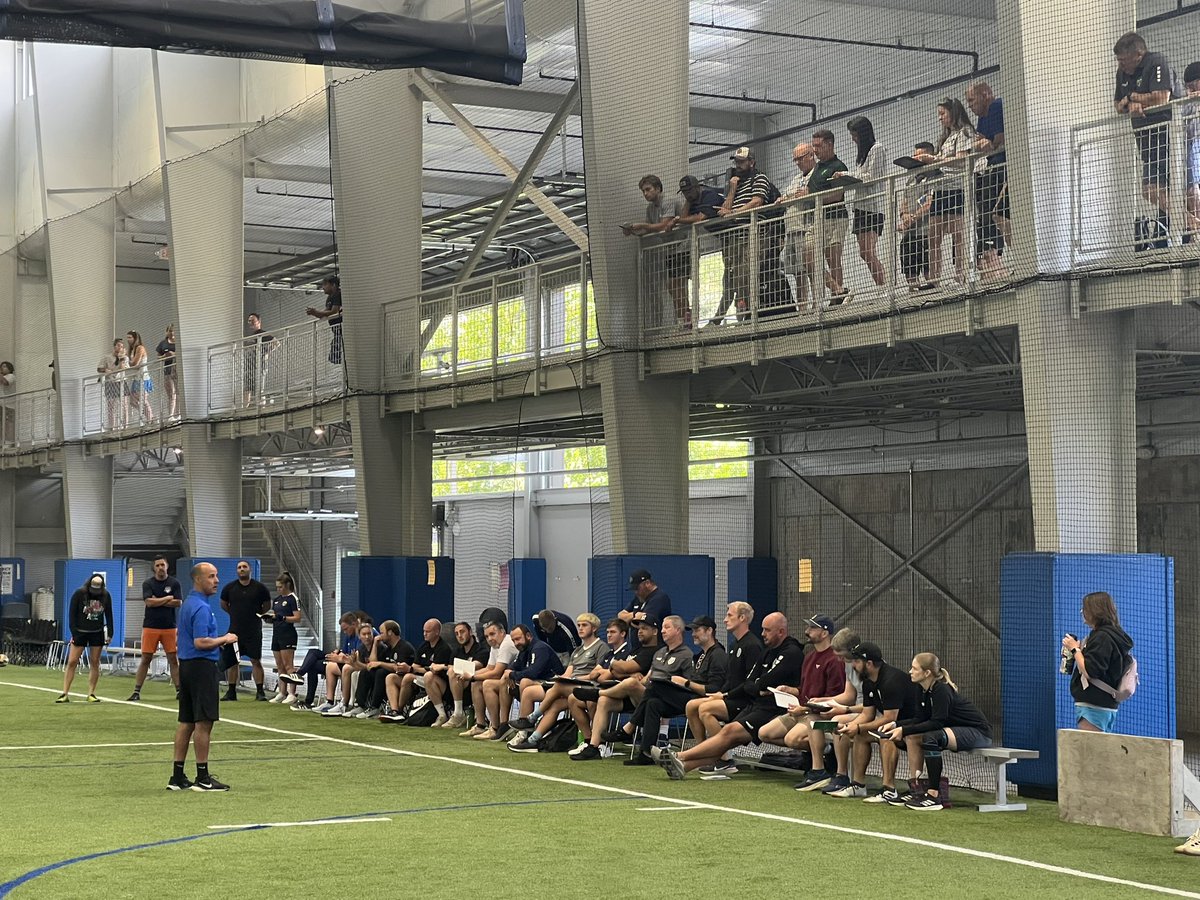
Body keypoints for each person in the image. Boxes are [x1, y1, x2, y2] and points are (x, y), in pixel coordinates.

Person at [661, 612, 803, 779]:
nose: (763, 633)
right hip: (756, 704)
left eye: (767, 630)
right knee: (726, 737)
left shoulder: (788, 651)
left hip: (772, 708)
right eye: (763, 629)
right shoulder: (762, 650)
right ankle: (685, 766)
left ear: (781, 631)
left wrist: (728, 694)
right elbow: (750, 682)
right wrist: (753, 688)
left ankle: (680, 756)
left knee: (724, 729)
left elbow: (762, 682)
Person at [878, 651, 992, 811]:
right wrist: (895, 724)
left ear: (927, 673)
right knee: (912, 737)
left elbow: (937, 722)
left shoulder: (941, 690)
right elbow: (919, 718)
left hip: (978, 732)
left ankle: (933, 795)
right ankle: (917, 789)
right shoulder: (921, 689)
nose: (910, 671)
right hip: (953, 730)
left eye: (914, 668)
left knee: (931, 737)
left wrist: (902, 730)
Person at [757, 615, 851, 789]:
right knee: (764, 733)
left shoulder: (835, 660)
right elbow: (805, 689)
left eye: (812, 628)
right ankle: (825, 750)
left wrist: (806, 709)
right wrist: (790, 690)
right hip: (800, 710)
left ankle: (821, 762)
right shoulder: (809, 657)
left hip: (817, 713)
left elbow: (834, 697)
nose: (807, 631)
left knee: (792, 739)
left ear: (824, 633)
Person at [170, 562, 237, 791]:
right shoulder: (200, 607)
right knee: (204, 722)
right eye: (211, 576)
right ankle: (203, 777)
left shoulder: (188, 604)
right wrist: (224, 639)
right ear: (198, 579)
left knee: (186, 722)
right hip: (201, 667)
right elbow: (200, 642)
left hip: (187, 667)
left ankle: (177, 776)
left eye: (216, 576)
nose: (216, 580)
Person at [685, 600, 764, 775]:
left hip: (746, 701)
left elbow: (750, 682)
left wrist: (724, 695)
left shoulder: (752, 645)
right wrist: (720, 693)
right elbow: (730, 678)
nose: (724, 620)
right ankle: (705, 752)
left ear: (742, 618)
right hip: (731, 697)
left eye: (729, 615)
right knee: (691, 706)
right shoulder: (734, 645)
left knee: (706, 709)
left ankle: (725, 759)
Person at [507, 612, 607, 749]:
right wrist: (561, 679)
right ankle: (532, 739)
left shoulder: (601, 647)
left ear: (594, 628)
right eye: (579, 625)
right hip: (569, 687)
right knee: (545, 699)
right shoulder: (577, 651)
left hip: (587, 687)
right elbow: (567, 674)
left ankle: (532, 718)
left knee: (557, 686)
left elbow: (596, 674)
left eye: (584, 625)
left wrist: (573, 679)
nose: (580, 628)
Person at [839, 642, 923, 804]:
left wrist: (858, 727)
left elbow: (890, 718)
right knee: (861, 736)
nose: (853, 665)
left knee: (885, 735)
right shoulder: (868, 681)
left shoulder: (891, 680)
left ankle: (889, 789)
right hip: (896, 725)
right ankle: (858, 785)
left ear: (869, 664)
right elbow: (867, 713)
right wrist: (852, 727)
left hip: (914, 726)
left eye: (856, 661)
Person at [571, 617, 661, 760]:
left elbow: (625, 668)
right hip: (628, 696)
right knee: (604, 700)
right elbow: (617, 672)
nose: (639, 631)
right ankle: (593, 746)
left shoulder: (656, 651)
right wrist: (625, 670)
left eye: (644, 628)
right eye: (639, 629)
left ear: (655, 631)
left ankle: (598, 693)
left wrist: (618, 666)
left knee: (631, 683)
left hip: (647, 699)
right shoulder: (637, 650)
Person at [1113, 32, 1174, 240]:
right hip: (1144, 139)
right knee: (1150, 190)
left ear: (1138, 55)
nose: (1120, 65)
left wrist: (1132, 97)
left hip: (1165, 134)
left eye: (1123, 60)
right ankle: (1183, 220)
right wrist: (1131, 104)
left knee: (1160, 187)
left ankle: (1185, 222)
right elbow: (1118, 105)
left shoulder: (1156, 62)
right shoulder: (1122, 74)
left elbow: (1162, 96)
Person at [619, 615, 697, 765]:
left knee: (655, 685)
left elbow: (689, 684)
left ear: (678, 630)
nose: (662, 631)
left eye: (667, 627)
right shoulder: (659, 653)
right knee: (652, 703)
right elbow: (648, 678)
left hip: (680, 699)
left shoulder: (686, 655)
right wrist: (635, 676)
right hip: (656, 695)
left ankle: (630, 726)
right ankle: (645, 753)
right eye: (662, 628)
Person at [914, 98, 975, 288]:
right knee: (934, 235)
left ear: (953, 112)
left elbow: (961, 159)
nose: (940, 118)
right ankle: (934, 279)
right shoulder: (946, 138)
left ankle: (960, 275)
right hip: (940, 188)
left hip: (955, 187)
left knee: (957, 234)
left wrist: (934, 160)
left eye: (942, 114)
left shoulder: (964, 132)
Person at [1061, 590, 1134, 733]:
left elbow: (1091, 671)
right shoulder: (1112, 635)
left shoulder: (1102, 637)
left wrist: (1075, 649)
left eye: (1085, 608)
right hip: (1102, 706)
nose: (1082, 612)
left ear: (1095, 611)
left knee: (1090, 746)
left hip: (1094, 706)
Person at [621, 175, 690, 327]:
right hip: (670, 251)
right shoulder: (650, 208)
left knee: (676, 285)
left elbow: (663, 225)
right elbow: (648, 230)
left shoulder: (668, 201)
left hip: (683, 246)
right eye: (643, 191)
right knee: (674, 287)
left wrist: (642, 225)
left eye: (648, 189)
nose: (645, 194)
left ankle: (686, 321)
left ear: (658, 188)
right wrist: (632, 231)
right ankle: (684, 320)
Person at [799, 129, 851, 303]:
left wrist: (813, 197)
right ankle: (839, 290)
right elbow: (810, 190)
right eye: (813, 146)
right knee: (808, 258)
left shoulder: (838, 167)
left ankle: (836, 300)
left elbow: (837, 195)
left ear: (829, 144)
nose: (815, 150)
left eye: (818, 146)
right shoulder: (817, 168)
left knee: (833, 259)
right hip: (817, 219)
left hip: (835, 217)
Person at [965, 81, 1010, 275]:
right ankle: (994, 261)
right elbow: (979, 142)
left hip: (1002, 168)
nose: (970, 106)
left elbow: (998, 140)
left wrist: (988, 143)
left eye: (972, 100)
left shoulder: (996, 107)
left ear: (985, 94)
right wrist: (984, 143)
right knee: (987, 216)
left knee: (996, 214)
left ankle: (1000, 260)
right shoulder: (983, 117)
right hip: (991, 169)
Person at [842, 117, 889, 289]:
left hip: (873, 207)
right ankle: (881, 285)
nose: (853, 139)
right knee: (864, 252)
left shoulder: (877, 149)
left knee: (869, 251)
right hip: (860, 207)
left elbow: (872, 177)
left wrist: (848, 175)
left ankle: (884, 287)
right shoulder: (863, 155)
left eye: (854, 135)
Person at [128, 556, 182, 702]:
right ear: (154, 568)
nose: (160, 568)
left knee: (173, 659)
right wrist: (167, 598)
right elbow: (149, 602)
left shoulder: (174, 583)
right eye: (157, 565)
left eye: (162, 565)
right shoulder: (148, 583)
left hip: (169, 627)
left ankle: (179, 691)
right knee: (146, 658)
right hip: (150, 626)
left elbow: (178, 602)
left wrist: (157, 600)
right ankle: (136, 691)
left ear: (167, 566)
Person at [56, 574, 115, 703]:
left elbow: (109, 615)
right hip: (80, 632)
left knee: (94, 662)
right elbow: (72, 614)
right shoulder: (79, 594)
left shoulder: (106, 596)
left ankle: (91, 693)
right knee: (72, 661)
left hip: (97, 632)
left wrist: (110, 633)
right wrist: (74, 632)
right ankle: (65, 693)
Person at [380, 618, 452, 723]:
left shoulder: (443, 648)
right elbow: (415, 666)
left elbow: (434, 670)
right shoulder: (424, 645)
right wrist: (407, 668)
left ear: (437, 632)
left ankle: (399, 711)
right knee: (391, 677)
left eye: (428, 631)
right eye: (424, 631)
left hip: (438, 682)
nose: (425, 634)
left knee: (409, 677)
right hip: (421, 678)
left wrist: (412, 669)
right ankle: (394, 710)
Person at [218, 560, 271, 701]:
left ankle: (260, 692)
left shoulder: (260, 588)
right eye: (239, 567)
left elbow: (267, 605)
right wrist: (234, 613)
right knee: (232, 662)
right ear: (237, 571)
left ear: (250, 569)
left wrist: (257, 613)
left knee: (256, 661)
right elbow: (223, 604)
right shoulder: (229, 588)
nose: (242, 569)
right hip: (234, 631)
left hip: (254, 631)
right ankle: (231, 692)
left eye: (244, 567)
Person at [289, 611, 361, 711]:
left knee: (315, 663)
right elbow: (343, 652)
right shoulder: (349, 636)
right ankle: (317, 701)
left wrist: (340, 657)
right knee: (313, 655)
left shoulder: (360, 636)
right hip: (341, 662)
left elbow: (354, 658)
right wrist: (338, 653)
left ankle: (300, 676)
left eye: (346, 629)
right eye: (343, 630)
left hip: (348, 664)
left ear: (354, 624)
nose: (345, 632)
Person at [459, 619, 518, 740]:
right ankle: (480, 725)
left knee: (487, 684)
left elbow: (496, 673)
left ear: (502, 632)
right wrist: (469, 675)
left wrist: (472, 676)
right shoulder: (495, 645)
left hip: (515, 680)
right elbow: (489, 668)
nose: (490, 638)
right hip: (505, 680)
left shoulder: (506, 644)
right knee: (476, 683)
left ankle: (495, 728)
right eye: (486, 636)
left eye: (492, 634)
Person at [897, 144, 939, 291]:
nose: (915, 158)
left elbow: (929, 203)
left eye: (919, 155)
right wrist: (904, 215)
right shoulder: (910, 179)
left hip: (926, 232)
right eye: (914, 155)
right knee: (910, 269)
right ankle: (914, 293)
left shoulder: (933, 177)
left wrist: (913, 218)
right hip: (909, 234)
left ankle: (933, 295)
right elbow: (904, 201)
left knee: (928, 271)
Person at [356, 620, 415, 718]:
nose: (380, 635)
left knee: (381, 672)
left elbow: (399, 668)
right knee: (366, 672)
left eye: (382, 633)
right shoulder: (389, 649)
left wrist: (380, 663)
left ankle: (375, 707)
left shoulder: (404, 647)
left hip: (405, 679)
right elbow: (372, 664)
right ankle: (360, 705)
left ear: (390, 632)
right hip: (392, 677)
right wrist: (375, 644)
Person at [438, 621, 491, 728]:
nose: (459, 635)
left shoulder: (482, 650)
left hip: (473, 684)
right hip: (454, 687)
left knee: (453, 671)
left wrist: (444, 666)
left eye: (462, 632)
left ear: (470, 632)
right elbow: (450, 667)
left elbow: (475, 666)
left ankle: (458, 713)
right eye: (456, 633)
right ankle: (441, 715)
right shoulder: (456, 651)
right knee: (429, 677)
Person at [264, 573, 302, 703]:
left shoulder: (293, 599)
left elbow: (297, 618)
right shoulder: (276, 600)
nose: (278, 589)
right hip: (277, 634)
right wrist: (269, 619)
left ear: (287, 585)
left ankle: (292, 693)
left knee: (288, 665)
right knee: (279, 665)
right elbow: (276, 616)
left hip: (288, 634)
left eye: (280, 587)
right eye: (277, 587)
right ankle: (282, 692)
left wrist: (283, 618)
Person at [619, 569, 672, 635]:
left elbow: (644, 624)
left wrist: (630, 618)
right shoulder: (639, 598)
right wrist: (635, 614)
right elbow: (620, 616)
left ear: (647, 583)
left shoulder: (659, 598)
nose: (636, 592)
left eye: (637, 588)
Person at [307, 275, 343, 365]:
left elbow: (334, 311)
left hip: (343, 330)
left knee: (339, 352)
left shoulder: (338, 294)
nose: (323, 287)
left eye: (325, 284)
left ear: (333, 285)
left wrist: (316, 312)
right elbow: (325, 313)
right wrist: (315, 313)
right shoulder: (330, 297)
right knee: (335, 355)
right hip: (337, 331)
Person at [242, 313, 274, 409]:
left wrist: (265, 352)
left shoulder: (262, 334)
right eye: (249, 321)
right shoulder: (252, 336)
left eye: (252, 320)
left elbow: (276, 343)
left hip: (259, 366)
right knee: (247, 389)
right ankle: (244, 409)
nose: (250, 323)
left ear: (259, 322)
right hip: (249, 366)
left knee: (259, 389)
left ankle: (261, 408)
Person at [97, 338, 129, 430]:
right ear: (114, 346)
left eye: (122, 346)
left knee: (124, 405)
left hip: (121, 381)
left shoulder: (125, 358)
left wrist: (122, 358)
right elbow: (99, 368)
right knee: (111, 406)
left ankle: (125, 426)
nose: (120, 348)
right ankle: (112, 427)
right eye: (118, 345)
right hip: (110, 382)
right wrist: (106, 370)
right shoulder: (107, 357)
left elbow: (123, 368)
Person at [1184, 63, 1200, 242]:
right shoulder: (1187, 103)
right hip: (1192, 146)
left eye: (1193, 86)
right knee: (1192, 190)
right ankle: (1194, 234)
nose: (1190, 90)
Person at [126, 330, 154, 424]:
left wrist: (127, 362)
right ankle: (149, 416)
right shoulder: (131, 349)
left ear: (135, 338)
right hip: (136, 377)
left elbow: (135, 363)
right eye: (127, 337)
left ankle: (150, 419)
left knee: (143, 400)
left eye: (130, 337)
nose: (128, 339)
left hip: (143, 377)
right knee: (133, 401)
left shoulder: (140, 348)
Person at [156, 325, 178, 420]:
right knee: (170, 393)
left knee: (177, 392)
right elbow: (158, 357)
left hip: (177, 370)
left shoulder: (179, 341)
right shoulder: (163, 343)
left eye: (173, 331)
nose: (171, 333)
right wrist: (165, 356)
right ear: (166, 332)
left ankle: (178, 413)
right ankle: (171, 414)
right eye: (170, 331)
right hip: (167, 370)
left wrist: (174, 354)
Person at [0, 361, 15, 445]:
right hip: (1, 404)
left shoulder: (11, 376)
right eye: (2, 366)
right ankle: (2, 441)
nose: (2, 368)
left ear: (10, 368)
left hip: (8, 405)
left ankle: (9, 441)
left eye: (5, 366)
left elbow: (5, 383)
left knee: (8, 423)